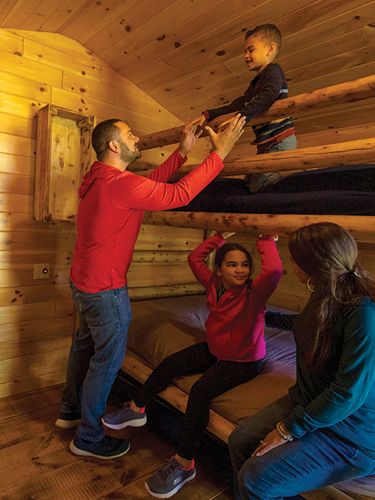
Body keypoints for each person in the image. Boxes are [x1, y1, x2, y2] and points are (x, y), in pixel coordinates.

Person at [54, 114, 247, 460]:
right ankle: (88, 437)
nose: (137, 138)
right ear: (114, 145)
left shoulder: (101, 179)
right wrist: (220, 154)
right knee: (105, 363)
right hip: (105, 291)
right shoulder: (119, 184)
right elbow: (179, 193)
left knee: (83, 348)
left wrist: (182, 153)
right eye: (130, 134)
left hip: (82, 283)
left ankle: (69, 411)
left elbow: (148, 187)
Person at [102, 231, 282, 497]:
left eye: (245, 264)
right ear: (218, 269)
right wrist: (219, 236)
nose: (241, 270)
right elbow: (195, 258)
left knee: (200, 392)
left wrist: (266, 241)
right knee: (170, 363)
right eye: (232, 264)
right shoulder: (212, 283)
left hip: (243, 360)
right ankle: (137, 407)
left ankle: (184, 463)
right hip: (216, 348)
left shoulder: (254, 294)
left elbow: (275, 271)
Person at [228, 222, 375, 500]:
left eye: (293, 260)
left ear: (313, 265)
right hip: (310, 401)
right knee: (239, 440)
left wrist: (287, 430)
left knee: (254, 478)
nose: (289, 265)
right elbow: (310, 324)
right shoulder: (326, 291)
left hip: (350, 433)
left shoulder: (362, 311)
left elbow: (348, 392)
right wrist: (264, 317)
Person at [193, 23, 296, 193]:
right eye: (245, 52)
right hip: (266, 144)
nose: (246, 56)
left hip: (279, 140)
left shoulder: (273, 71)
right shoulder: (255, 84)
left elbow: (269, 94)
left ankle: (283, 181)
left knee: (257, 187)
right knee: (248, 182)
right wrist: (208, 114)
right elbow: (237, 104)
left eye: (251, 50)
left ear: (270, 49)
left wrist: (240, 117)